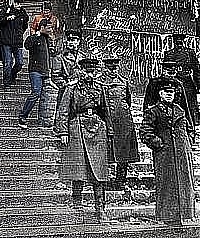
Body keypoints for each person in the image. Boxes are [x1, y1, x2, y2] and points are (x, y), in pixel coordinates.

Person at [55, 58, 113, 222]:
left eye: (92, 72)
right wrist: (63, 131)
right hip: (77, 128)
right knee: (78, 167)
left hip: (97, 129)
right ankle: (77, 203)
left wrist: (109, 131)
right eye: (87, 71)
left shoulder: (100, 88)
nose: (90, 75)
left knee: (99, 169)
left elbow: (106, 111)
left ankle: (100, 208)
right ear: (80, 71)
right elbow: (63, 110)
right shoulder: (71, 88)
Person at [140, 82, 195, 226]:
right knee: (167, 184)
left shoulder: (180, 110)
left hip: (182, 155)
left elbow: (190, 129)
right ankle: (167, 216)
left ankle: (184, 215)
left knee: (184, 184)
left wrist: (188, 143)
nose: (169, 94)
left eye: (171, 92)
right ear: (160, 94)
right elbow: (145, 132)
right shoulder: (153, 111)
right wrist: (159, 144)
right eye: (166, 92)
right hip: (165, 155)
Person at [101, 57, 140, 190]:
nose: (113, 71)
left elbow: (128, 101)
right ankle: (103, 180)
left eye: (115, 69)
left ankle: (120, 180)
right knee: (104, 150)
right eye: (110, 69)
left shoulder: (123, 82)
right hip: (106, 119)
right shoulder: (99, 82)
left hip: (123, 121)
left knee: (124, 151)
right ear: (105, 68)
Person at [19, 18, 53, 128]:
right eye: (49, 28)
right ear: (42, 27)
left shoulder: (47, 39)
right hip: (35, 71)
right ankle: (23, 116)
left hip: (45, 71)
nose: (51, 30)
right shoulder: (35, 37)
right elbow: (27, 45)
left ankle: (43, 120)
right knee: (36, 93)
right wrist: (36, 35)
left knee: (45, 96)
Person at [163, 33, 200, 126]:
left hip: (187, 82)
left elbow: (196, 70)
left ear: (183, 41)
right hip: (174, 82)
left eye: (180, 41)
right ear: (174, 42)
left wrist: (199, 85)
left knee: (190, 105)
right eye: (177, 42)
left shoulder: (190, 53)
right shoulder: (169, 54)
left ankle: (192, 124)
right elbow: (165, 70)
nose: (179, 44)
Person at [0, 0, 29, 89]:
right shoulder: (6, 10)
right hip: (6, 41)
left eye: (20, 4)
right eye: (17, 3)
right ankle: (7, 83)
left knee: (20, 62)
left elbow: (25, 26)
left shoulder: (23, 13)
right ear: (14, 3)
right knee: (8, 62)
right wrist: (6, 19)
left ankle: (12, 74)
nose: (18, 5)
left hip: (17, 42)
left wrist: (19, 33)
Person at [51, 29, 86, 123]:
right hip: (66, 90)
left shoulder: (83, 57)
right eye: (69, 40)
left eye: (73, 40)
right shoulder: (60, 57)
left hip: (81, 90)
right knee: (63, 114)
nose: (71, 42)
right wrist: (66, 84)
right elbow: (55, 76)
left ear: (78, 42)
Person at [143, 60, 191, 126]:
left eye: (173, 74)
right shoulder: (155, 83)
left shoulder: (178, 84)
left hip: (175, 115)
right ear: (163, 71)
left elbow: (184, 104)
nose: (171, 77)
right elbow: (148, 102)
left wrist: (189, 123)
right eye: (169, 73)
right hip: (158, 116)